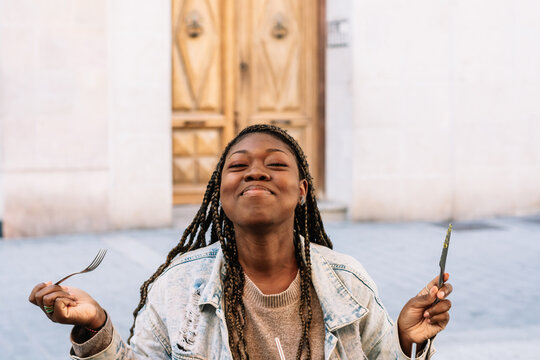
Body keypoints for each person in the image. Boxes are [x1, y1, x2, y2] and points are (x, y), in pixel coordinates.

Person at [29, 124, 452, 359]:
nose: (256, 172)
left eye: (275, 164)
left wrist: (406, 343)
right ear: (220, 192)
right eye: (239, 166)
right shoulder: (176, 288)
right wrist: (96, 325)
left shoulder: (347, 282)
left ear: (302, 190)